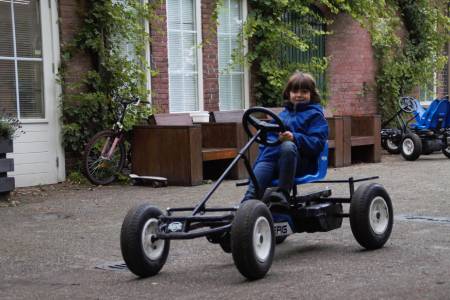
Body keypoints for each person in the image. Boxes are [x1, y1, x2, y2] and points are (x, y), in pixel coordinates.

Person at [243, 71, 328, 203]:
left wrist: (294, 138)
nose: (299, 95)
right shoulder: (283, 115)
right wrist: (270, 138)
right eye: (295, 91)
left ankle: (283, 193)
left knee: (287, 146)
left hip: (302, 163)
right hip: (276, 162)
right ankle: (249, 200)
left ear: (311, 94)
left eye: (304, 91)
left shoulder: (315, 116)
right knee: (268, 152)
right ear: (288, 93)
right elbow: (269, 139)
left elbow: (317, 143)